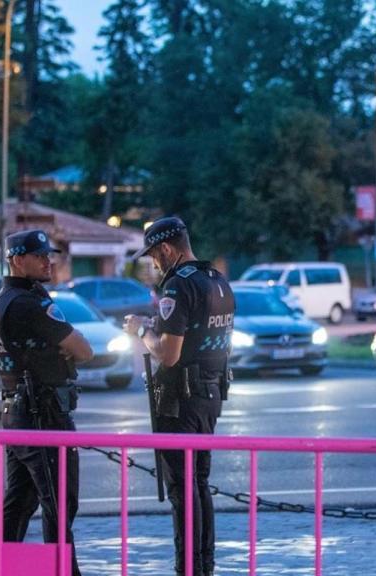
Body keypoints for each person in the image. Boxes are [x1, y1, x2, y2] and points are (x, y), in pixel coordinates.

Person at [123, 217, 234, 576]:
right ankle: (204, 566)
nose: (154, 264)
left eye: (154, 256)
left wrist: (141, 330)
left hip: (180, 400)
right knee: (199, 485)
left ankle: (187, 568)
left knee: (182, 490)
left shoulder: (178, 287)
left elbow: (168, 354)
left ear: (167, 249)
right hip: (210, 393)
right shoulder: (217, 281)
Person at [0, 229, 93, 575]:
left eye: (50, 255)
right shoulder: (29, 304)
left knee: (20, 501)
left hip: (17, 411)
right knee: (59, 505)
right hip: (42, 413)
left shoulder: (0, 301)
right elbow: (83, 350)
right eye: (40, 255)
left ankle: (0, 567)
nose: (49, 261)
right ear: (17, 260)